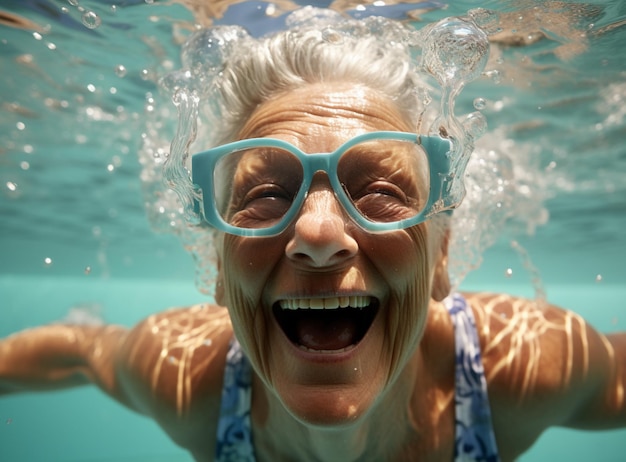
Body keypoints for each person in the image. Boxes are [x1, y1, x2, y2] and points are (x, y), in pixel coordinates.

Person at [1, 13, 625, 462]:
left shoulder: (523, 371)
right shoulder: (188, 380)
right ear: (219, 267)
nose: (319, 235)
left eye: (379, 191)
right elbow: (81, 350)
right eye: (266, 195)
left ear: (440, 253)